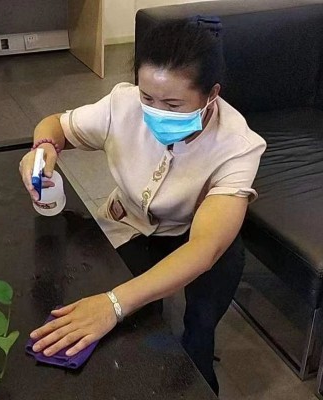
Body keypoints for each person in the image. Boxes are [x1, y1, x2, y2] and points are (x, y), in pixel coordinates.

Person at [19, 18, 266, 395]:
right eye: (148, 98)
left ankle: (197, 361)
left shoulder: (237, 146)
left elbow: (204, 249)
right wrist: (43, 151)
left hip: (197, 234)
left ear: (211, 95)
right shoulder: (122, 104)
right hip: (130, 224)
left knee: (200, 319)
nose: (155, 112)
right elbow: (56, 125)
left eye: (173, 104)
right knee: (125, 324)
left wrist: (114, 303)